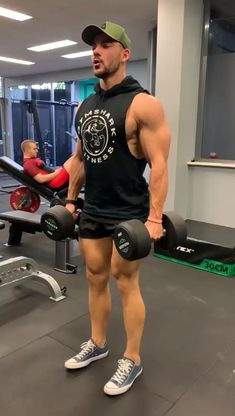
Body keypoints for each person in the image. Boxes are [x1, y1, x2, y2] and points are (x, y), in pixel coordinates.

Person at [64, 21, 171, 396]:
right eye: (93, 45)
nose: (96, 51)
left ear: (124, 53)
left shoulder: (144, 103)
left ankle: (132, 359)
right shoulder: (86, 104)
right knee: (94, 276)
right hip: (93, 207)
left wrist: (155, 217)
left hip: (129, 211)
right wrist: (71, 199)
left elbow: (159, 164)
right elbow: (79, 159)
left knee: (124, 281)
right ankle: (98, 343)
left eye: (105, 45)